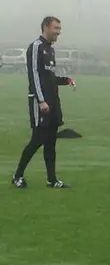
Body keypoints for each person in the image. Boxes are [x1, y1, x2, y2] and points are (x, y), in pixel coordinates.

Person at [11, 16, 76, 189]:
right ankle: (17, 175)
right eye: (56, 28)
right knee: (37, 139)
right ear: (46, 27)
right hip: (41, 102)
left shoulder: (50, 50)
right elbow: (34, 75)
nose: (59, 32)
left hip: (53, 101)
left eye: (60, 28)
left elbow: (49, 76)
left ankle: (52, 180)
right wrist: (41, 100)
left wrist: (65, 80)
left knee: (51, 142)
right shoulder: (36, 47)